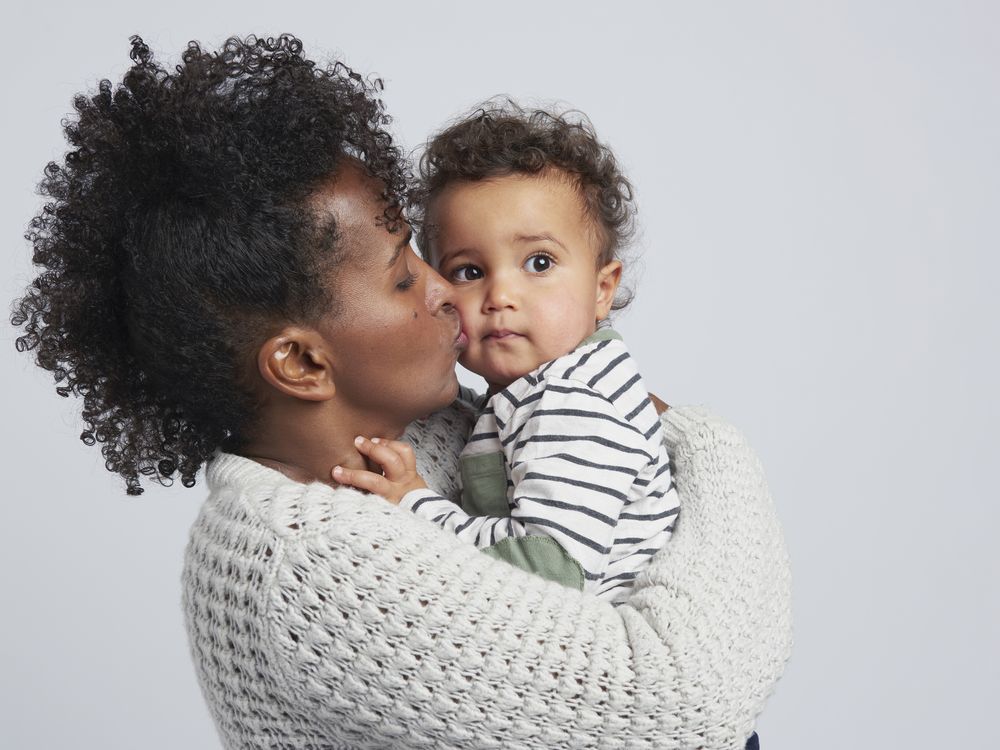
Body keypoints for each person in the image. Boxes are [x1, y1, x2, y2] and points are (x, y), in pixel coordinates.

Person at [12, 35, 791, 749]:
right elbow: (684, 705)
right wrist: (709, 447)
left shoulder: (421, 426)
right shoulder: (310, 567)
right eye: (403, 275)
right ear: (302, 364)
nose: (453, 295)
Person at [333, 103, 680, 605]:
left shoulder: (570, 404)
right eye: (469, 271)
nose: (501, 296)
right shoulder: (529, 394)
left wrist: (416, 504)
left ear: (602, 288)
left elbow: (548, 572)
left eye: (538, 263)